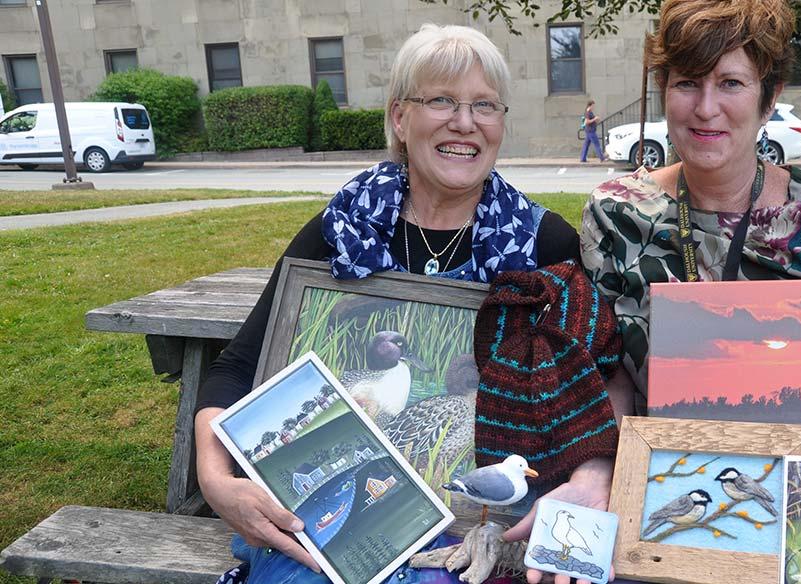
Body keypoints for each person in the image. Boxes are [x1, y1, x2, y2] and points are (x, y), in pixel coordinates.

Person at [193, 24, 610, 584]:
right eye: (441, 100)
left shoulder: (544, 244)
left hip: (485, 533)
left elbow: (596, 386)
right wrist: (216, 478)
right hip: (334, 523)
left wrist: (591, 477)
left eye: (484, 105)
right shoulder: (342, 228)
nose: (464, 122)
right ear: (398, 117)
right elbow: (238, 367)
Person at [579, 0, 801, 582]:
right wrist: (596, 476)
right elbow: (614, 380)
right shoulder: (618, 214)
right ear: (664, 89)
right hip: (668, 519)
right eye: (687, 82)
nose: (706, 108)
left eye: (731, 83)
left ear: (769, 98)